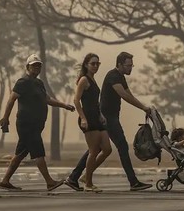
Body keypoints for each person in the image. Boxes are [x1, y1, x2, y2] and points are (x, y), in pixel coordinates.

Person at [65, 52, 152, 191]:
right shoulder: (113, 76)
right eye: (128, 65)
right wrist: (142, 107)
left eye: (131, 65)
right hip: (107, 117)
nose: (131, 68)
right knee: (120, 147)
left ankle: (76, 177)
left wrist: (145, 107)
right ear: (119, 64)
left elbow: (129, 94)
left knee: (98, 149)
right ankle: (133, 182)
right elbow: (123, 95)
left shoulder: (119, 77)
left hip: (103, 116)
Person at [0, 54, 75, 191]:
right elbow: (11, 99)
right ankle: (49, 182)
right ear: (28, 67)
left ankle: (5, 181)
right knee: (38, 152)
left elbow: (47, 100)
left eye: (39, 65)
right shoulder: (23, 82)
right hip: (27, 123)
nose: (37, 67)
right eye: (34, 65)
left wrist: (64, 105)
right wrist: (5, 117)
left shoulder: (39, 84)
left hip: (36, 124)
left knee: (20, 153)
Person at [67, 53, 112, 192]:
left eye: (97, 63)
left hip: (97, 118)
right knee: (93, 151)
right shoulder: (84, 80)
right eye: (93, 63)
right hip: (88, 118)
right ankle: (88, 183)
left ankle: (86, 175)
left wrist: (101, 114)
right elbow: (76, 100)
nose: (95, 66)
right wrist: (83, 118)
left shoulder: (92, 79)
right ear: (86, 64)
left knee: (107, 149)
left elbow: (94, 102)